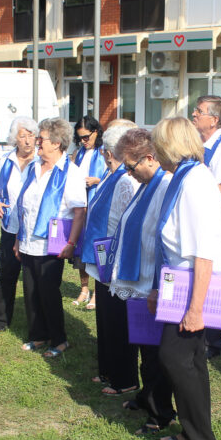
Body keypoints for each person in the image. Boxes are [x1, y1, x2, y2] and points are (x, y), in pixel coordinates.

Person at [149, 117, 221, 440]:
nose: (154, 152)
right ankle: (193, 430)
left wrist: (195, 309)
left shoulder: (195, 181)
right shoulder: (183, 177)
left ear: (170, 146)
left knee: (177, 358)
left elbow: (204, 251)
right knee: (190, 360)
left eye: (157, 145)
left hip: (193, 284)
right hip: (179, 279)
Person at [111, 128, 173, 431]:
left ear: (149, 158)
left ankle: (160, 413)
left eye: (131, 166)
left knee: (155, 353)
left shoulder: (165, 185)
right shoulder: (147, 183)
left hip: (152, 281)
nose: (128, 172)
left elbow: (166, 240)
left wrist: (158, 286)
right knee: (143, 347)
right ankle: (147, 395)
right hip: (139, 280)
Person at [14, 117, 87, 358]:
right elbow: (25, 207)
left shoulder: (71, 173)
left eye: (41, 139)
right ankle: (38, 335)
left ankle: (59, 339)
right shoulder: (34, 166)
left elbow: (79, 212)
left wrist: (71, 243)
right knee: (31, 291)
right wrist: (18, 239)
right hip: (28, 241)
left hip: (52, 244)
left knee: (49, 293)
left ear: (56, 143)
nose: (37, 142)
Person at [78, 119, 139, 393]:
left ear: (109, 152)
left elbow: (127, 222)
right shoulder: (110, 174)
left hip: (116, 260)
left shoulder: (125, 179)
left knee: (118, 322)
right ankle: (107, 371)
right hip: (103, 258)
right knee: (105, 319)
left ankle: (123, 379)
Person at [191, 95, 221, 360]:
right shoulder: (199, 145)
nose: (194, 114)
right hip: (196, 227)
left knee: (213, 283)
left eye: (199, 111)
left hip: (213, 229)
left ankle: (213, 342)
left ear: (214, 119)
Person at [0, 117, 38, 337]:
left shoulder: (42, 161)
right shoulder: (7, 160)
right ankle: (1, 320)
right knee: (7, 274)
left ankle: (36, 326)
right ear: (14, 139)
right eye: (22, 136)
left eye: (31, 136)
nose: (27, 140)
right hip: (10, 227)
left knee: (32, 279)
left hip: (33, 229)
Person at [69, 116, 106, 309]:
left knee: (96, 248)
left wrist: (97, 180)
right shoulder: (79, 153)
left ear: (96, 132)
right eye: (80, 138)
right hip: (81, 203)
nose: (83, 141)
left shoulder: (104, 152)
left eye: (86, 137)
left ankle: (98, 293)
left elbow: (116, 176)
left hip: (98, 205)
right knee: (81, 248)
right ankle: (84, 289)